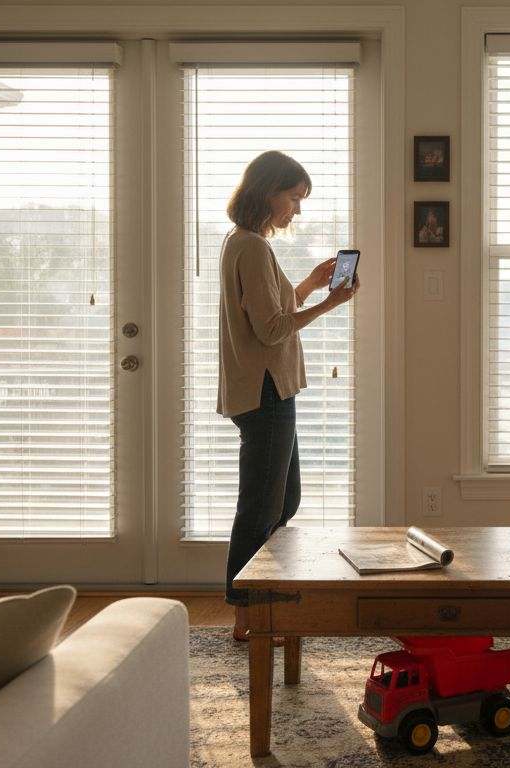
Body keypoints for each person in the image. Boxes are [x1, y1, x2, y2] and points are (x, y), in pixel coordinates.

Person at [218, 150, 358, 640]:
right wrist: (330, 303)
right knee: (260, 507)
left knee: (282, 500)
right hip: (266, 391)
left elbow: (272, 310)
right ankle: (246, 614)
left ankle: (262, 603)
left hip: (270, 389)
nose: (296, 209)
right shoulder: (252, 248)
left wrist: (310, 285)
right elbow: (274, 328)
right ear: (268, 191)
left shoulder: (244, 242)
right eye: (294, 197)